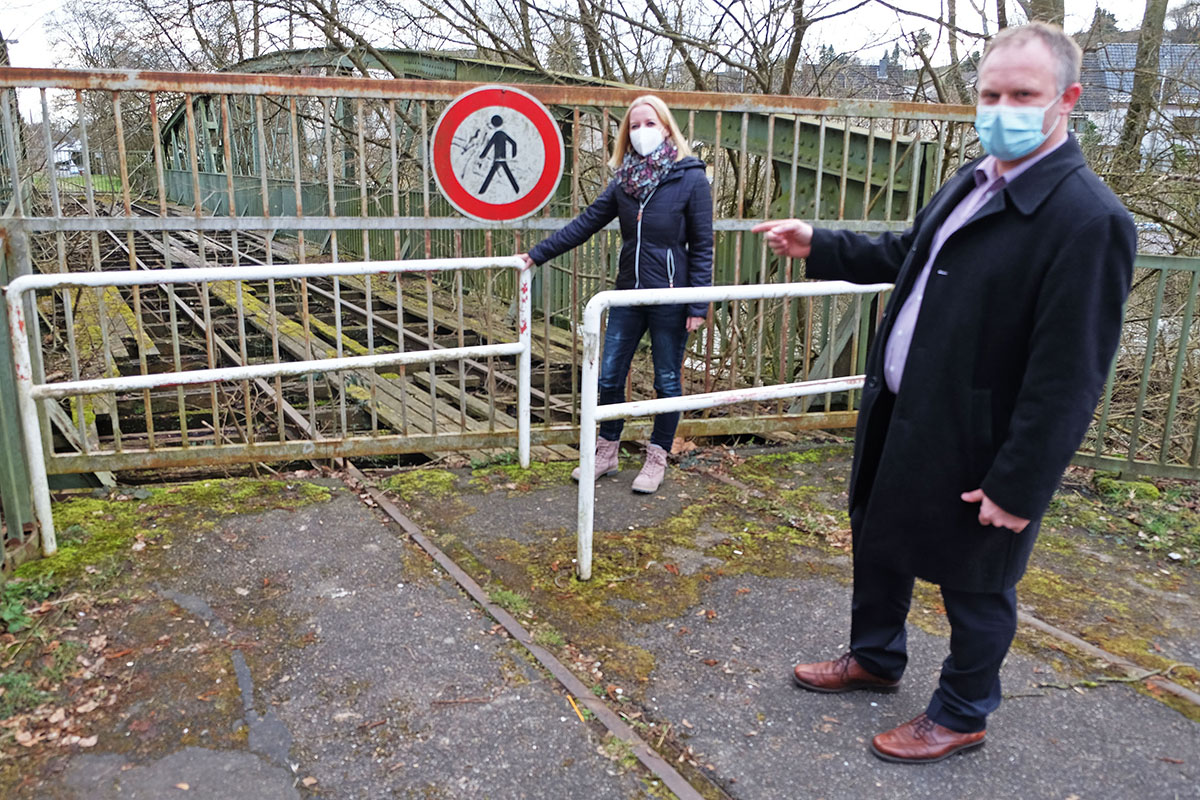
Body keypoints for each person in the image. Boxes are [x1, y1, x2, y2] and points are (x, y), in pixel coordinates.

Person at [753, 22, 1135, 764]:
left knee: (978, 583)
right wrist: (819, 242)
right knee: (880, 539)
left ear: (1069, 99)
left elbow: (1070, 375)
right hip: (907, 411)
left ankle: (961, 713)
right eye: (991, 93)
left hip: (981, 439)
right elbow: (910, 254)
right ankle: (875, 657)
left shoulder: (1089, 219)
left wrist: (1019, 485)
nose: (1002, 108)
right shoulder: (975, 175)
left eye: (1023, 94)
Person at [518, 95, 713, 494]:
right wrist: (536, 255)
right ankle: (606, 453)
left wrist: (697, 304)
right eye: (634, 126)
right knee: (608, 374)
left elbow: (703, 246)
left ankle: (656, 458)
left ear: (665, 126)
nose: (641, 131)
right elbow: (586, 223)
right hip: (627, 294)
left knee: (667, 379)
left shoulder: (689, 177)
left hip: (670, 297)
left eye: (649, 123)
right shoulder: (624, 182)